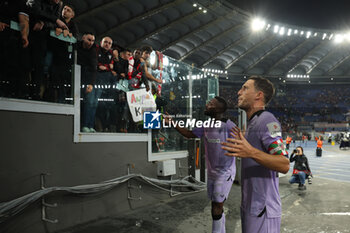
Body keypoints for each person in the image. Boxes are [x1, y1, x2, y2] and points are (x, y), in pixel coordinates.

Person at [222, 76, 289, 233]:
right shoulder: (252, 123)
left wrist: (250, 151)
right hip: (251, 206)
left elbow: (284, 164)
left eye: (245, 88)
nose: (239, 92)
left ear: (258, 95)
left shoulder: (267, 121)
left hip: (263, 210)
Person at [165, 96, 236, 233]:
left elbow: (241, 141)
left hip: (225, 172)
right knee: (215, 205)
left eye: (210, 103)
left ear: (218, 109)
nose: (207, 104)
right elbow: (189, 134)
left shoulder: (228, 125)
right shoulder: (206, 125)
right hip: (212, 173)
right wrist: (172, 123)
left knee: (217, 204)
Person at [77, 32, 97, 133]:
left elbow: (94, 68)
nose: (91, 42)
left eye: (93, 41)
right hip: (75, 77)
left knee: (91, 103)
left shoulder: (93, 51)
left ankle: (88, 125)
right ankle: (82, 125)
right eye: (89, 40)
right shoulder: (75, 46)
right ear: (83, 38)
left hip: (87, 80)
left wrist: (91, 84)